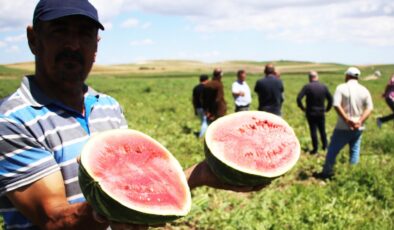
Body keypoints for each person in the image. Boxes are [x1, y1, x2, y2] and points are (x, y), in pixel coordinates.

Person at [0, 1, 265, 229]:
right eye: (60, 31)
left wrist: (200, 175)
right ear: (34, 39)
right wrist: (111, 207)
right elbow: (53, 219)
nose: (73, 44)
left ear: (96, 44)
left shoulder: (108, 106)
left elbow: (136, 185)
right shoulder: (12, 121)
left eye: (85, 33)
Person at [316, 67, 373, 179]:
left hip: (343, 126)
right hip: (358, 127)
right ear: (358, 77)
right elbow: (370, 108)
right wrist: (360, 121)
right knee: (355, 150)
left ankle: (327, 172)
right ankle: (353, 174)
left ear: (347, 76)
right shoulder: (364, 90)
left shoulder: (341, 88)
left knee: (333, 149)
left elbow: (336, 104)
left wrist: (347, 120)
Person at [297, 71, 333, 154]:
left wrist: (303, 108)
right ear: (317, 77)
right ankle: (325, 146)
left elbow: (299, 98)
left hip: (310, 112)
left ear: (309, 78)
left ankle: (315, 149)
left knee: (313, 130)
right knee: (322, 130)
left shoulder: (307, 87)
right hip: (321, 112)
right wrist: (327, 109)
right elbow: (330, 99)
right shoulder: (323, 87)